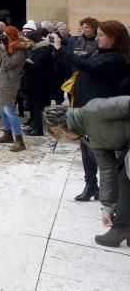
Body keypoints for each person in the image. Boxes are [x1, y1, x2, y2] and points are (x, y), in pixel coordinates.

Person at [50, 20, 130, 201]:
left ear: (114, 39)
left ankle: (115, 195)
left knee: (99, 155)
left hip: (99, 116)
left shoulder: (116, 59)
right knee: (86, 151)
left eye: (101, 35)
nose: (97, 38)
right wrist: (61, 46)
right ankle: (91, 185)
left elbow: (89, 66)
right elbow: (81, 60)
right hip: (84, 112)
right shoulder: (99, 52)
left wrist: (61, 48)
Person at [44, 91, 130, 248]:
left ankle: (122, 227)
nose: (64, 137)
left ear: (64, 123)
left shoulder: (92, 110)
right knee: (121, 174)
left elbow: (126, 103)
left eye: (60, 132)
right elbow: (106, 169)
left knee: (126, 176)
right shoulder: (87, 137)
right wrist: (107, 207)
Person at [0, 26, 32, 151]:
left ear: (12, 36)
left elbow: (9, 64)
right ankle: (7, 134)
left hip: (9, 83)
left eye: (6, 35)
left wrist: (2, 50)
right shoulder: (7, 47)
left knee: (9, 111)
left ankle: (19, 141)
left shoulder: (20, 49)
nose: (4, 37)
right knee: (2, 110)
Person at [19, 29, 53, 136]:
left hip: (38, 84)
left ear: (33, 40)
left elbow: (36, 66)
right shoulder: (36, 49)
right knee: (33, 106)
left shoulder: (42, 50)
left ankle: (39, 130)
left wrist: (23, 62)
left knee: (38, 107)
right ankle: (34, 126)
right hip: (33, 83)